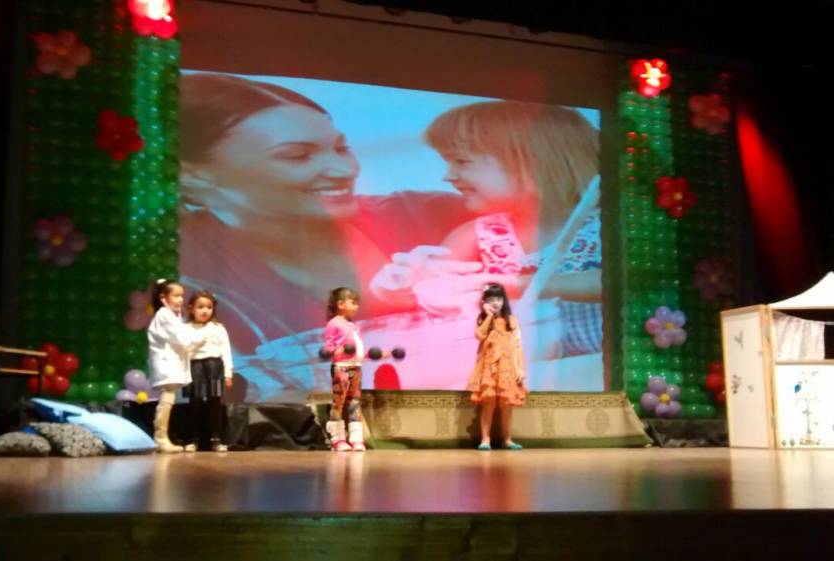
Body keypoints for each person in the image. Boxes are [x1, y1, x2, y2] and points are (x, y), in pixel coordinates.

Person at [179, 72, 475, 400]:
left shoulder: (436, 216)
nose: (344, 170)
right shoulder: (179, 257)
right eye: (297, 156)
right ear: (194, 175)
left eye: (341, 148)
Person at [371, 100, 602, 360]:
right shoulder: (473, 236)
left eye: (461, 161)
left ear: (533, 163)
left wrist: (516, 284)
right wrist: (401, 287)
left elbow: (620, 282)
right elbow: (429, 294)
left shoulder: (608, 224)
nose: (448, 176)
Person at [466, 283, 527, 450]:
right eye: (491, 299)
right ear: (485, 302)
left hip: (507, 367)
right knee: (489, 404)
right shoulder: (483, 319)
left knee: (506, 404)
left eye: (498, 298)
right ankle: (485, 440)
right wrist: (488, 316)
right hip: (489, 367)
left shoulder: (511, 320)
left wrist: (520, 368)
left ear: (504, 300)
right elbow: (479, 335)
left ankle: (507, 440)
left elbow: (517, 345)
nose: (495, 302)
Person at [148, 279, 204, 453]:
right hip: (166, 362)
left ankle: (162, 437)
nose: (181, 300)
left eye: (182, 296)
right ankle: (161, 438)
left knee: (169, 398)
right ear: (163, 297)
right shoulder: (164, 315)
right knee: (167, 398)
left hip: (170, 361)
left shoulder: (171, 315)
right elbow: (181, 339)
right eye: (176, 296)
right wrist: (198, 340)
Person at [186, 291, 233, 452]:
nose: (205, 311)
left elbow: (226, 350)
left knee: (214, 403)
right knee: (195, 402)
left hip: (215, 366)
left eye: (209, 307)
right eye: (200, 307)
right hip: (195, 366)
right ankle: (193, 439)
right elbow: (183, 350)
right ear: (191, 308)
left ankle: (216, 439)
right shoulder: (185, 328)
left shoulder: (218, 328)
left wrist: (228, 373)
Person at [321, 287, 366, 452]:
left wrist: (376, 354)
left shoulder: (353, 325)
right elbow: (328, 347)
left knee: (354, 402)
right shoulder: (334, 324)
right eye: (353, 303)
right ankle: (337, 439)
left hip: (356, 367)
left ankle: (356, 438)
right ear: (340, 304)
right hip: (341, 368)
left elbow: (357, 348)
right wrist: (336, 350)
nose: (356, 306)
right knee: (339, 402)